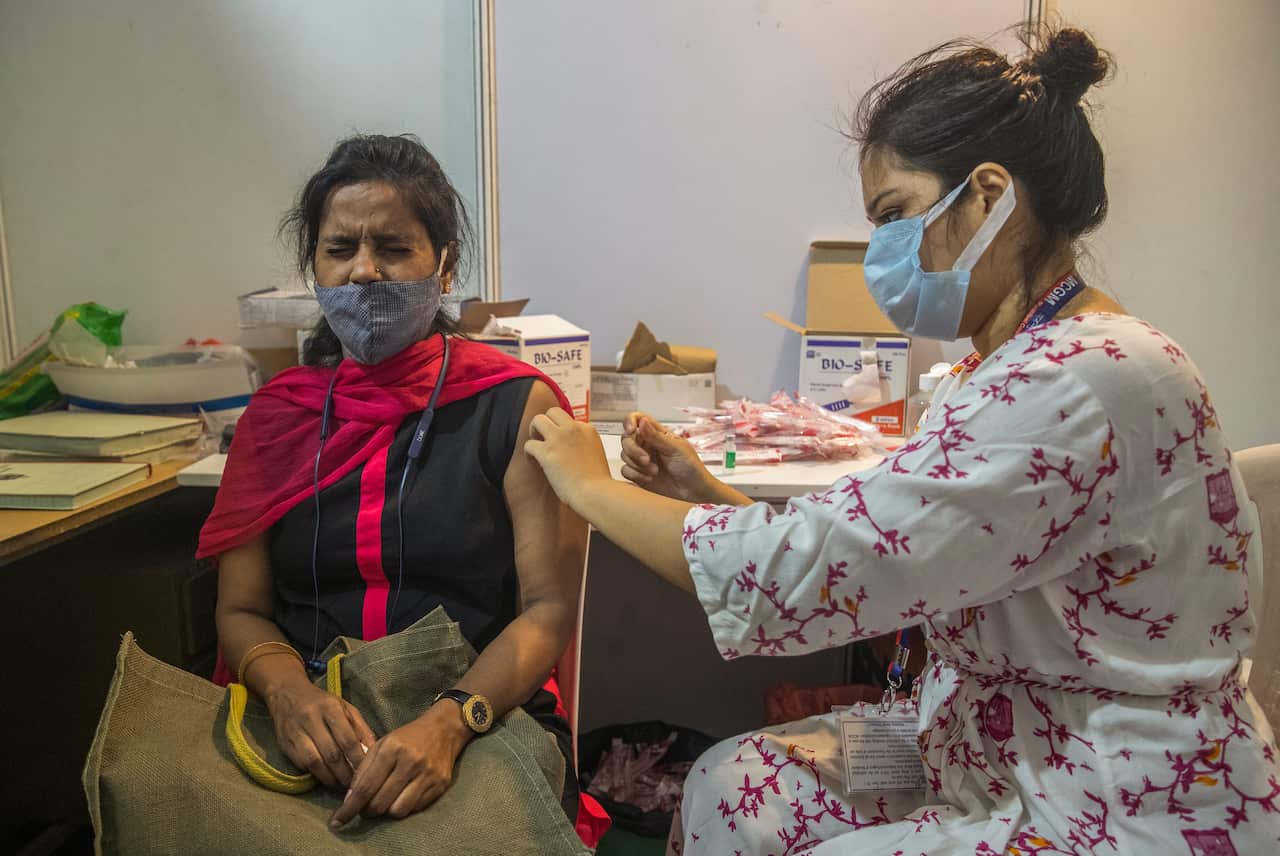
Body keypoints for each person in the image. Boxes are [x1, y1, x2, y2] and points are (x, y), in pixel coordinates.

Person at [524, 28, 1279, 854]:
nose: (880, 254)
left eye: (893, 216)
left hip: (1104, 786)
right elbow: (897, 554)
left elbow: (806, 571)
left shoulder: (1075, 380)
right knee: (735, 789)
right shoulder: (1017, 366)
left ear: (988, 197)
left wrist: (591, 485)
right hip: (995, 745)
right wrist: (708, 496)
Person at [197, 134, 601, 840]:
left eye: (392, 247)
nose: (362, 272)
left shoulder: (513, 406)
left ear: (444, 267)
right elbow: (241, 608)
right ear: (313, 268)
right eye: (339, 248)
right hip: (310, 711)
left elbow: (546, 610)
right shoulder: (278, 416)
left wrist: (449, 724)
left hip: (477, 712)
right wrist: (289, 696)